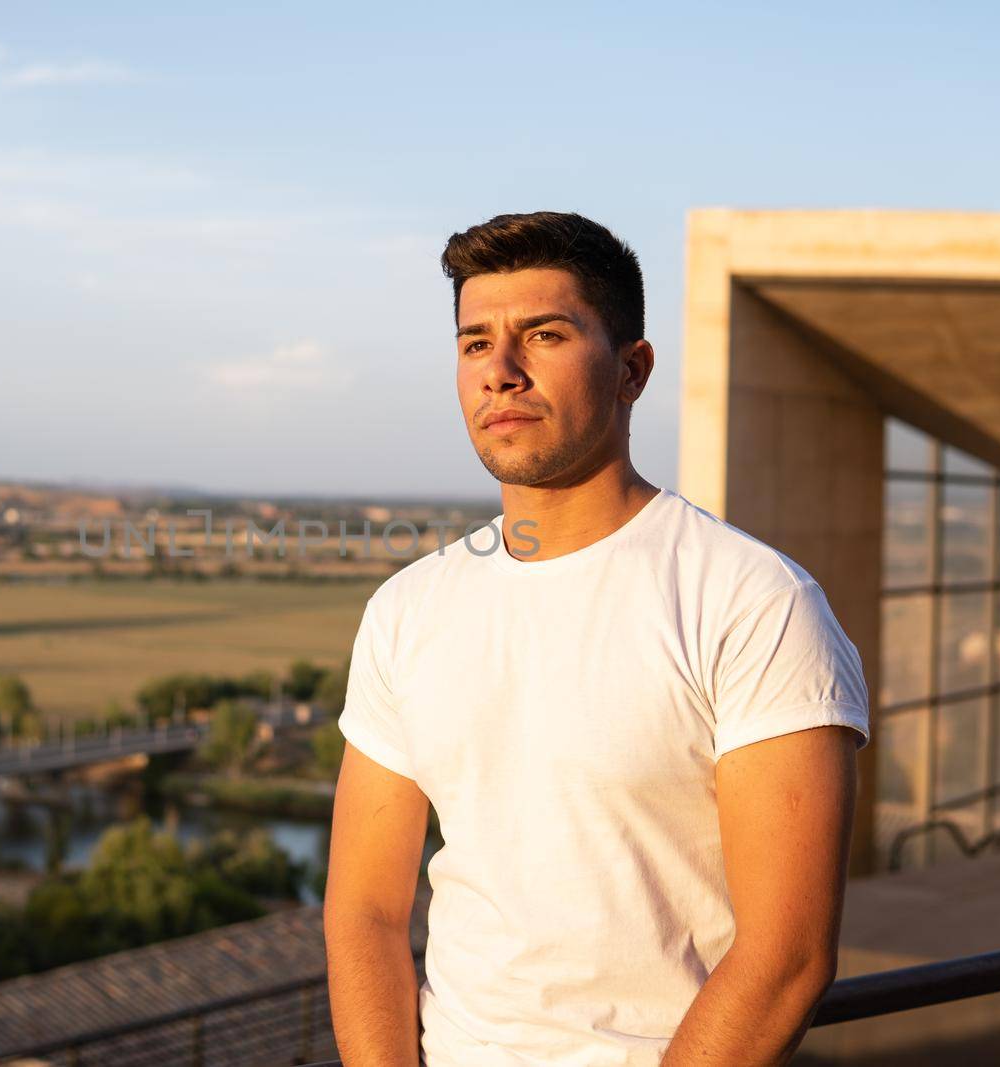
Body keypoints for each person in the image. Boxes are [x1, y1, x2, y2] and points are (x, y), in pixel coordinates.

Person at [323, 211, 869, 1067]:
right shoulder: (408, 608)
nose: (499, 372)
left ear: (632, 369)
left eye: (543, 334)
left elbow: (789, 957)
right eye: (474, 344)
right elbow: (365, 909)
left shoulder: (753, 601)